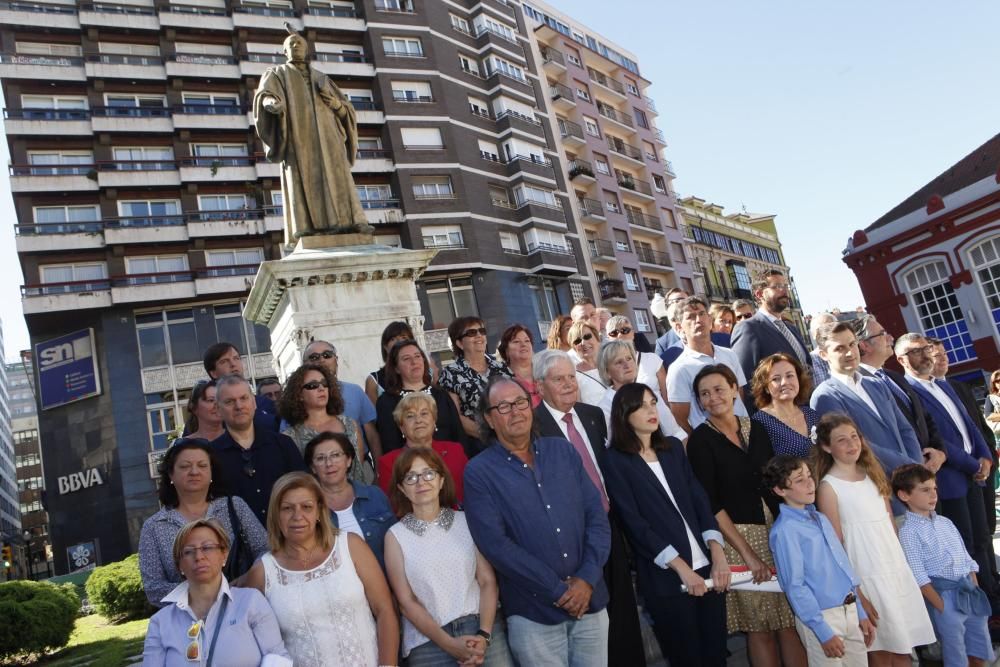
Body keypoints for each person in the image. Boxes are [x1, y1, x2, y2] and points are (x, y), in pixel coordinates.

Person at [464, 377, 611, 667]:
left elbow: (596, 517)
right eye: (503, 407)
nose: (515, 411)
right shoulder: (479, 472)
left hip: (589, 603)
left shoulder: (563, 451)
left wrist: (586, 579)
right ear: (489, 420)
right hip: (534, 614)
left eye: (520, 402)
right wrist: (559, 591)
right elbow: (496, 545)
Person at [602, 382, 730, 666]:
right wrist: (682, 568)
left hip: (708, 569)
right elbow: (634, 524)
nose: (652, 410)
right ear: (624, 414)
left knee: (717, 655)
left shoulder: (672, 447)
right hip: (667, 579)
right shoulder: (614, 461)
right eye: (642, 405)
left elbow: (699, 500)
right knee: (688, 658)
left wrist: (718, 554)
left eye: (653, 402)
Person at [531, 349, 646, 666]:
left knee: (624, 611)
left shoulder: (593, 415)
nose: (569, 385)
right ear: (540, 386)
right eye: (559, 379)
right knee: (594, 622)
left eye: (571, 377)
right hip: (572, 539)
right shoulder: (533, 429)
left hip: (610, 526)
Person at [686, 365, 805, 666]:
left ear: (734, 389)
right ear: (698, 402)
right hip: (738, 538)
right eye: (704, 394)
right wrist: (748, 555)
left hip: (778, 532)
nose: (713, 398)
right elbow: (711, 504)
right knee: (759, 627)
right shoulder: (700, 441)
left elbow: (777, 480)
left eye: (718, 389)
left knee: (790, 621)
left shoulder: (757, 427)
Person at [813, 413, 935, 664]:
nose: (851, 444)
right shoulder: (828, 487)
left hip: (893, 569)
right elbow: (835, 544)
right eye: (841, 440)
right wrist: (857, 593)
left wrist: (904, 566)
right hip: (866, 575)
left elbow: (890, 524)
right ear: (826, 447)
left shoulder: (872, 474)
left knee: (904, 647)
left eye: (854, 437)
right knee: (880, 649)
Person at [245, 472, 399, 667]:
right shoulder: (262, 573)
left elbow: (384, 609)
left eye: (306, 507)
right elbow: (255, 642)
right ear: (276, 515)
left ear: (319, 511)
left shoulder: (350, 545)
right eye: (287, 508)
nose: (297, 516)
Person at [384, 447, 514, 666]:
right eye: (410, 477)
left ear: (441, 480)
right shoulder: (395, 536)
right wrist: (448, 644)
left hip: (482, 629)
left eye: (428, 473)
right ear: (401, 489)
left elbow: (487, 581)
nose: (421, 482)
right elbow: (406, 602)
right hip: (428, 643)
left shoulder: (466, 521)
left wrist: (484, 635)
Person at [895, 333, 998, 599]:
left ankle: (992, 595)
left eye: (927, 348)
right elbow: (936, 438)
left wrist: (985, 457)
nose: (927, 354)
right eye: (917, 351)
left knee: (984, 538)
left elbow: (970, 424)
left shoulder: (942, 385)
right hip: (951, 479)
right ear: (901, 359)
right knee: (967, 545)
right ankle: (984, 605)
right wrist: (972, 464)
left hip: (973, 474)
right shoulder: (910, 391)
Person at [253, 29, 370, 241]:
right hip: (299, 136)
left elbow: (346, 112)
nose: (296, 46)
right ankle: (307, 228)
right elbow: (265, 95)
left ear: (307, 50)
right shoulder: (277, 73)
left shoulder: (322, 78)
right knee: (303, 178)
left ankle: (352, 223)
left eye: (299, 43)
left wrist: (335, 104)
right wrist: (271, 105)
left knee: (339, 176)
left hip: (329, 137)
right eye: (291, 44)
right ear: (284, 51)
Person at [764, 455, 876, 666]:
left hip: (849, 608)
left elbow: (843, 567)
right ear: (780, 490)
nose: (810, 484)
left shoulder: (820, 518)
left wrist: (859, 611)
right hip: (823, 616)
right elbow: (794, 585)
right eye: (799, 480)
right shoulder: (786, 530)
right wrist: (822, 630)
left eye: (809, 476)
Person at [141, 518, 291, 666]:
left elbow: (277, 658)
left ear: (224, 554)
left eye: (207, 548)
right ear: (179, 564)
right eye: (188, 552)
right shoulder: (160, 623)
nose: (199, 557)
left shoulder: (251, 602)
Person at [138, 439, 269, 606]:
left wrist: (247, 580)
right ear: (171, 474)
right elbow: (153, 588)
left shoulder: (235, 507)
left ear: (211, 473)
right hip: (188, 619)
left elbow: (265, 551)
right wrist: (204, 594)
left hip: (242, 605)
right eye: (185, 466)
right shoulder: (154, 526)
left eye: (202, 465)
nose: (194, 471)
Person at [809, 322, 924, 510]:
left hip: (912, 486)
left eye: (852, 344)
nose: (849, 353)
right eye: (839, 348)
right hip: (878, 492)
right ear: (823, 354)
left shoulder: (876, 385)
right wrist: (908, 468)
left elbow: (905, 429)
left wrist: (917, 467)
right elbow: (856, 445)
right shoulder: (825, 396)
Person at [894, 464, 996, 667]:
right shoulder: (908, 532)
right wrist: (941, 606)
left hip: (968, 590)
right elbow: (919, 575)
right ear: (904, 495)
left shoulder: (945, 522)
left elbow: (966, 558)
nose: (933, 495)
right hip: (944, 595)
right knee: (955, 648)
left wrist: (973, 583)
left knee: (979, 641)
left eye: (934, 489)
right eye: (925, 490)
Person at [211, 375, 305, 524]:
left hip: (287, 537)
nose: (239, 406)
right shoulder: (211, 456)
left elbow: (304, 490)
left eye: (244, 398)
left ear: (254, 402)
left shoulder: (283, 444)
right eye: (229, 401)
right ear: (218, 409)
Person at [854, 316, 946, 461]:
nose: (890, 338)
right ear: (864, 345)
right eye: (882, 334)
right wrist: (914, 462)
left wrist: (939, 452)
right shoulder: (859, 386)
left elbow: (923, 416)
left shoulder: (894, 377)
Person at [304, 432, 395, 569]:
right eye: (321, 458)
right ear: (313, 467)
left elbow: (396, 542)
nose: (329, 463)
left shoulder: (375, 495)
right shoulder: (308, 508)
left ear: (348, 460)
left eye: (335, 455)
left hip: (386, 581)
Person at [666, 296, 749, 433]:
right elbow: (679, 418)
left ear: (710, 320)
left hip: (745, 430)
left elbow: (739, 393)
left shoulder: (730, 354)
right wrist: (703, 441)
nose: (698, 320)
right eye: (691, 317)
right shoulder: (678, 369)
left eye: (702, 314)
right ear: (680, 327)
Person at [279, 363, 371, 484]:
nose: (321, 388)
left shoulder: (350, 424)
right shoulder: (290, 436)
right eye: (312, 385)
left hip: (356, 496)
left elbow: (358, 467)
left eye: (325, 384)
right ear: (299, 395)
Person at [731, 270, 811, 403]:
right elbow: (745, 382)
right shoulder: (748, 328)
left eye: (785, 286)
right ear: (759, 294)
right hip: (777, 414)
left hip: (807, 411)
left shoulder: (792, 329)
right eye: (777, 286)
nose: (784, 291)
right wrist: (759, 421)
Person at [374, 339, 465, 455]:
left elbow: (458, 434)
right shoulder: (387, 402)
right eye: (406, 359)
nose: (414, 362)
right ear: (396, 368)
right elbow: (390, 445)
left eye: (417, 356)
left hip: (448, 459)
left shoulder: (441, 395)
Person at [377, 392, 468, 504]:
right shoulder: (388, 462)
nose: (418, 420)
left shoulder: (455, 450)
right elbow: (393, 505)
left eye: (424, 413)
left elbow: (470, 493)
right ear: (401, 427)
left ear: (434, 420)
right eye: (410, 416)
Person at [437, 316, 512, 447]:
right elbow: (456, 416)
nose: (479, 335)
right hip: (479, 443)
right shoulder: (450, 373)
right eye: (471, 333)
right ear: (459, 343)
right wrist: (491, 437)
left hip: (512, 435)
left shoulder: (501, 367)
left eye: (482, 331)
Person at [301, 340, 383, 459]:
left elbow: (372, 436)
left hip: (361, 466)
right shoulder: (296, 399)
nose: (321, 360)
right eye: (314, 357)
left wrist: (378, 473)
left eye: (327, 355)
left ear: (336, 360)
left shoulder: (355, 391)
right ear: (304, 364)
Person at [595, 339, 686, 441]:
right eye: (619, 362)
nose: (627, 365)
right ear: (607, 372)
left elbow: (675, 432)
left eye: (629, 358)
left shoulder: (648, 394)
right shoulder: (605, 408)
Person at [750, 353, 819, 458]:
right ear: (766, 387)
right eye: (776, 379)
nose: (784, 382)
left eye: (790, 376)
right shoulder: (760, 422)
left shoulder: (811, 414)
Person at [201, 342, 277, 432]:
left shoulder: (265, 403)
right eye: (224, 361)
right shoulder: (207, 414)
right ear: (213, 373)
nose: (233, 364)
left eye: (236, 358)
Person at [605, 314, 667, 402]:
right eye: (614, 333)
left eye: (625, 330)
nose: (619, 335)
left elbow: (666, 396)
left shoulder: (653, 359)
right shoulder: (607, 367)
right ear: (608, 338)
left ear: (633, 333)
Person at [365, 320, 415, 405]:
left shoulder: (424, 373)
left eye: (404, 337)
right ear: (385, 346)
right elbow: (374, 416)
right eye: (393, 339)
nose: (399, 342)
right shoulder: (374, 381)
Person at [498, 324, 540, 408]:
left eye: (527, 341)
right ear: (506, 350)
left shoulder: (545, 371)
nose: (523, 344)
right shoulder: (503, 381)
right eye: (516, 341)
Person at [568, 320, 607, 406]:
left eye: (587, 337)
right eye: (577, 341)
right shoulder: (573, 375)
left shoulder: (612, 364)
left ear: (597, 338)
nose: (583, 343)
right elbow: (578, 407)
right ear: (574, 348)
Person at [653, 288, 688, 360]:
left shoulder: (706, 330)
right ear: (667, 307)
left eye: (685, 301)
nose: (681, 304)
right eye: (676, 301)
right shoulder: (663, 343)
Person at [808, 312, 837, 385]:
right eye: (821, 329)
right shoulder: (808, 362)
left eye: (832, 326)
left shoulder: (851, 353)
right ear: (813, 334)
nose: (828, 332)